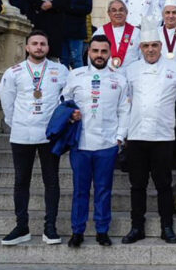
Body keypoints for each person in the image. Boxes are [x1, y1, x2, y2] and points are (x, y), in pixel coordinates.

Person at [0, 30, 68, 246]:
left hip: (49, 135)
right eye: (35, 43)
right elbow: (7, 103)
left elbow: (66, 98)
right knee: (21, 181)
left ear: (48, 47)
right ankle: (22, 227)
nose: (39, 47)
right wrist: (17, 122)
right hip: (21, 134)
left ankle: (50, 227)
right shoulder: (14, 72)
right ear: (27, 47)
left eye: (43, 44)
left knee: (52, 181)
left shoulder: (60, 70)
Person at [64, 34, 130, 247]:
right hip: (80, 144)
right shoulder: (76, 76)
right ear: (88, 52)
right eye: (95, 51)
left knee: (103, 190)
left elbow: (124, 109)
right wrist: (71, 113)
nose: (99, 55)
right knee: (80, 190)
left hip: (107, 144)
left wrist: (119, 138)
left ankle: (102, 230)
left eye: (103, 51)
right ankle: (77, 231)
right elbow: (64, 101)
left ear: (109, 53)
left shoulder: (119, 79)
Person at [120, 15, 176, 244]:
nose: (150, 50)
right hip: (136, 136)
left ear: (161, 46)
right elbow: (123, 103)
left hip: (164, 136)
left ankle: (167, 226)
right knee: (137, 185)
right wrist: (122, 134)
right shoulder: (131, 70)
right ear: (141, 48)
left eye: (154, 45)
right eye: (146, 46)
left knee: (164, 185)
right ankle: (137, 227)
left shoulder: (175, 68)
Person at [92, 0, 141, 70]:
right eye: (114, 10)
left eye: (121, 10)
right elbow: (92, 56)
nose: (118, 13)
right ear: (109, 13)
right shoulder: (100, 32)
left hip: (132, 75)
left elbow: (142, 56)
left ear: (126, 13)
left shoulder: (137, 32)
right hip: (107, 75)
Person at [62, 0, 92, 69]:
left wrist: (71, 8)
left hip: (76, 32)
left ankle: (79, 81)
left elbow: (88, 8)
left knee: (76, 59)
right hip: (62, 31)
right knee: (63, 59)